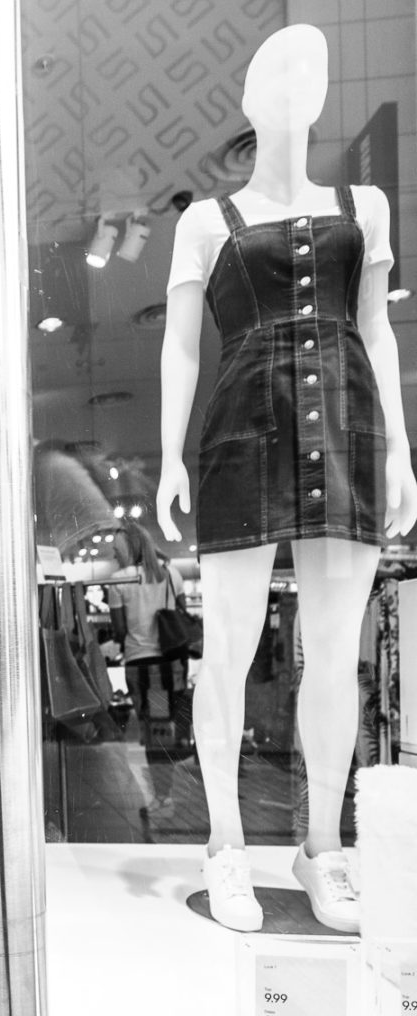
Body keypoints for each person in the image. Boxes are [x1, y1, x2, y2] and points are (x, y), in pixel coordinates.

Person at [156, 24, 417, 933]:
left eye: (315, 65)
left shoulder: (365, 206)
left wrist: (401, 450)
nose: (300, 76)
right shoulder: (204, 223)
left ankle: (322, 848)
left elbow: (376, 331)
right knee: (226, 650)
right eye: (279, 64)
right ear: (248, 96)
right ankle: (225, 844)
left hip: (347, 430)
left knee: (335, 657)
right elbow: (180, 347)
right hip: (242, 433)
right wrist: (167, 456)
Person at [108, 522, 190, 828]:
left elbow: (119, 630)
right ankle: (162, 794)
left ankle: (163, 798)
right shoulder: (171, 574)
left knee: (155, 733)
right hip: (171, 663)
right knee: (162, 729)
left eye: (117, 549)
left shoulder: (120, 580)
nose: (114, 555)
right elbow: (181, 615)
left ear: (130, 548)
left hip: (144, 666)